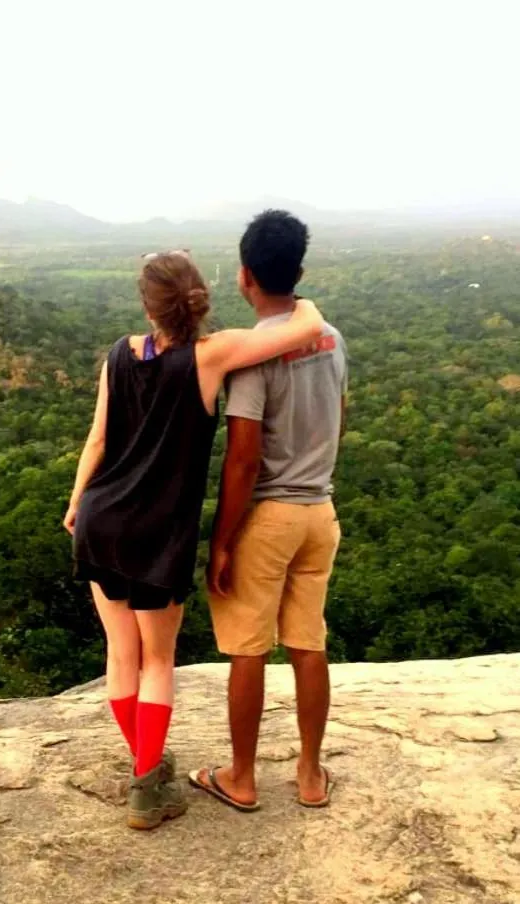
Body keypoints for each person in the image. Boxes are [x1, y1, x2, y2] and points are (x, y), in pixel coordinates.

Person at [64, 249, 323, 830]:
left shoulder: (117, 355)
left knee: (120, 652)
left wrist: (77, 502)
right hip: (158, 534)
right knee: (158, 660)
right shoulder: (210, 356)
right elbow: (305, 327)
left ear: (146, 304)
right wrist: (300, 295)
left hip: (101, 522)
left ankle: (147, 768)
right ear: (199, 297)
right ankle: (146, 788)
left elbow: (98, 439)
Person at [190, 210, 349, 812]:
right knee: (308, 643)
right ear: (299, 270)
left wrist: (223, 540)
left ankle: (243, 777)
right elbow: (339, 415)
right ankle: (310, 775)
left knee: (248, 649)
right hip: (320, 512)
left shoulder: (254, 356)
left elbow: (242, 460)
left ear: (244, 276)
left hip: (272, 514)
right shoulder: (331, 336)